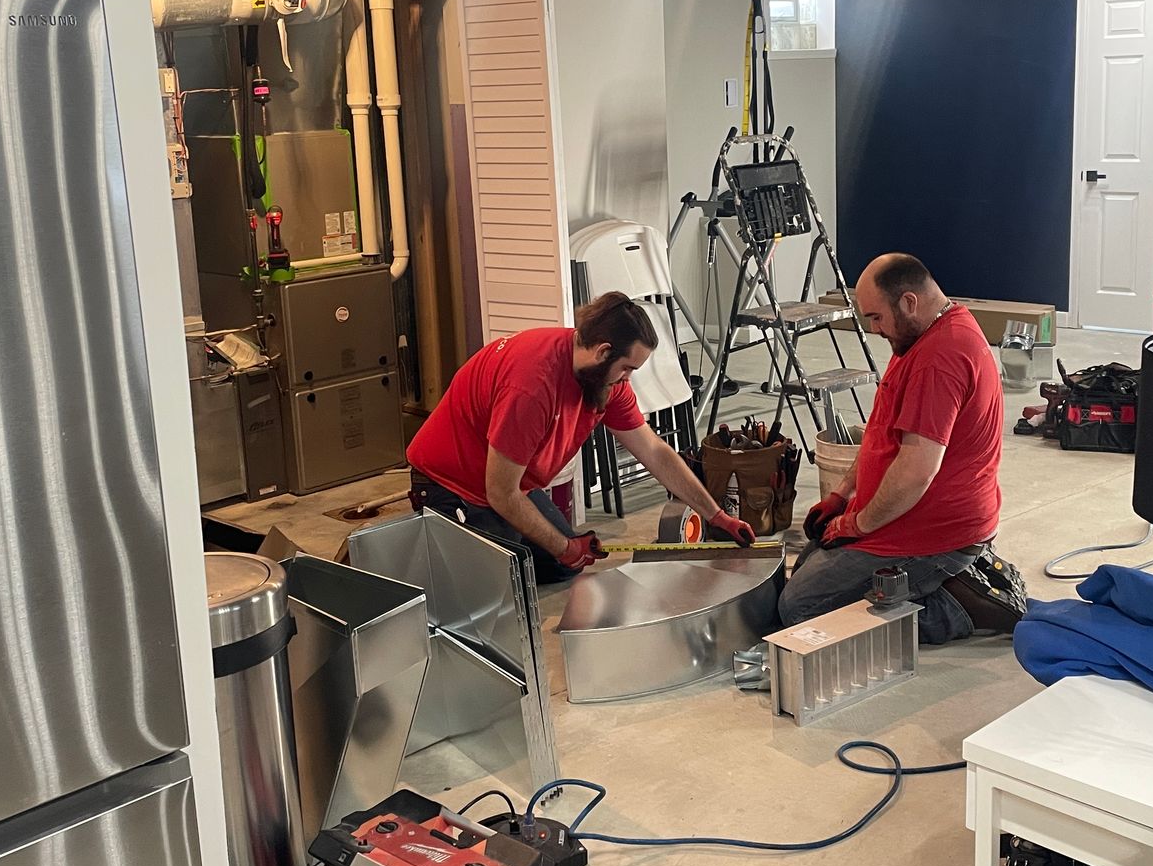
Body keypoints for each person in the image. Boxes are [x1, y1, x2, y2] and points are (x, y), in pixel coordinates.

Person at [405, 292, 755, 582]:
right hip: (450, 485)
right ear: (603, 351)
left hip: (508, 484)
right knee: (500, 587)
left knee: (563, 564)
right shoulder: (532, 387)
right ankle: (429, 548)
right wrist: (562, 545)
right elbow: (500, 493)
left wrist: (715, 515)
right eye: (628, 369)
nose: (628, 380)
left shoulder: (605, 378)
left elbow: (652, 449)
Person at [779, 253, 1003, 643]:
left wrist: (856, 524)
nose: (874, 330)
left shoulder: (940, 358)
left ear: (909, 302)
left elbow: (917, 471)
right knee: (806, 569)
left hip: (933, 534)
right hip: (903, 517)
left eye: (875, 318)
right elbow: (881, 432)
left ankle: (957, 605)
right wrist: (841, 494)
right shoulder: (920, 337)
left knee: (800, 609)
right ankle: (933, 583)